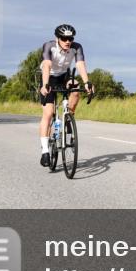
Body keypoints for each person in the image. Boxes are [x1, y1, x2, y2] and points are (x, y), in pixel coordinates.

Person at [38, 24, 93, 167]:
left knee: (76, 88)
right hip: (48, 77)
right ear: (58, 38)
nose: (68, 41)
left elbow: (80, 65)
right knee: (49, 113)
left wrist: (87, 82)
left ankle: (69, 116)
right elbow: (47, 65)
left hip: (64, 77)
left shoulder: (77, 47)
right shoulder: (49, 46)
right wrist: (45, 85)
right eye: (64, 38)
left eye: (70, 38)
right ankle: (45, 151)